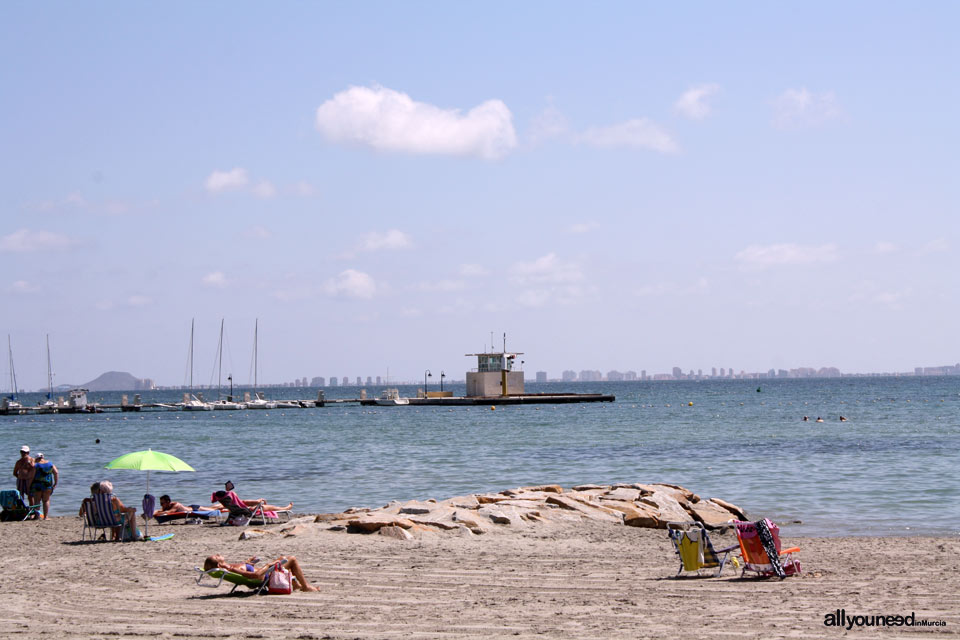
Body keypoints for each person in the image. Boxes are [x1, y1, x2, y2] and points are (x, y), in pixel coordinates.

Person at [203, 554, 318, 592]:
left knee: (283, 558)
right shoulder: (231, 569)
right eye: (217, 556)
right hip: (267, 576)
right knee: (291, 559)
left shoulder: (229, 567)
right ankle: (305, 586)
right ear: (219, 565)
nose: (218, 554)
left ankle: (296, 585)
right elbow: (257, 576)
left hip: (265, 575)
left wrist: (248, 563)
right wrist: (268, 565)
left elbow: (246, 572)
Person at [30, 453, 58, 519]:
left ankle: (37, 516)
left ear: (36, 458)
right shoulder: (50, 464)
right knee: (46, 500)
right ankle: (45, 517)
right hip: (48, 485)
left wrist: (30, 485)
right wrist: (55, 483)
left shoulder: (36, 465)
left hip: (37, 485)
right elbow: (56, 472)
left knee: (37, 501)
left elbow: (32, 476)